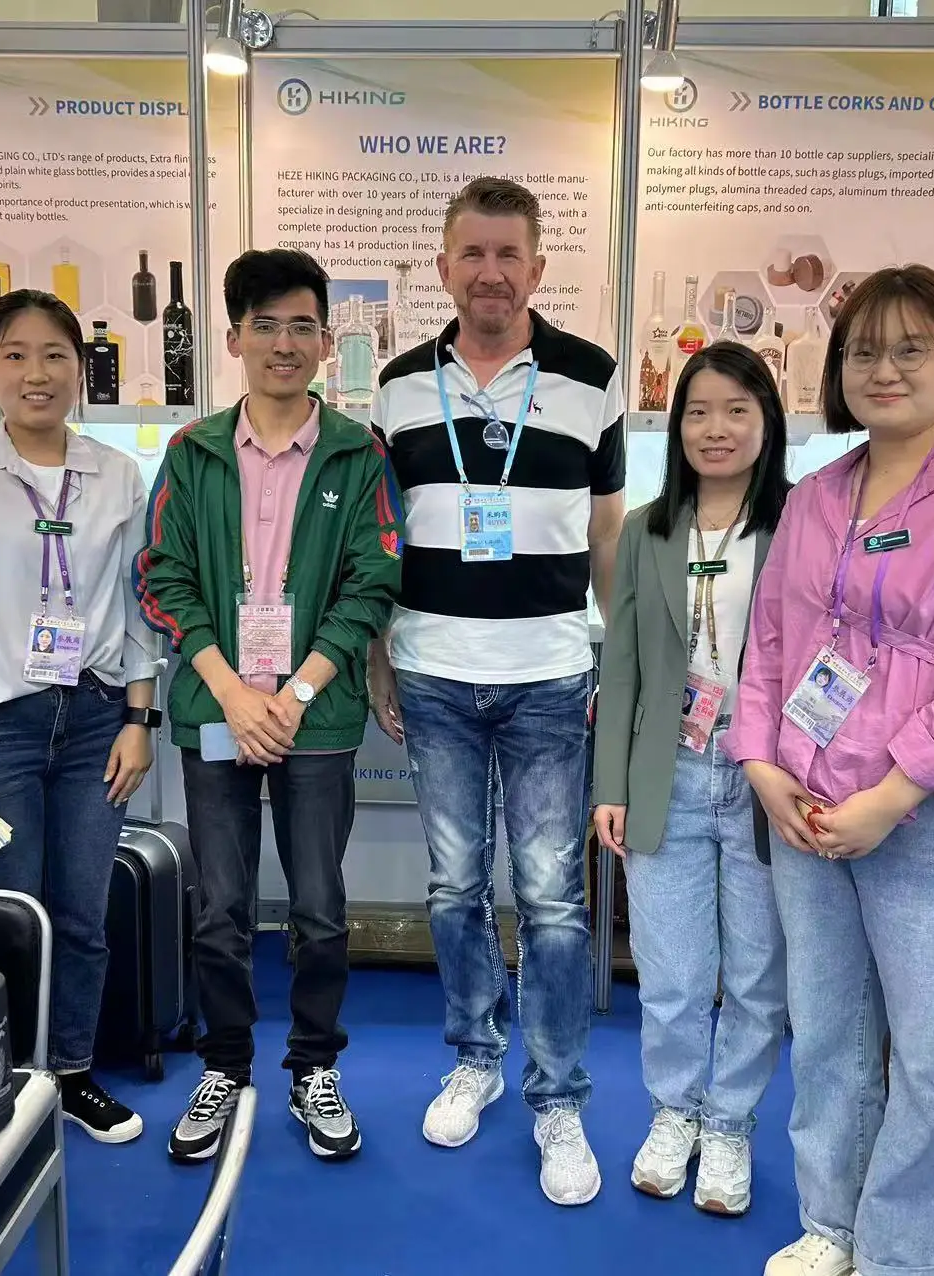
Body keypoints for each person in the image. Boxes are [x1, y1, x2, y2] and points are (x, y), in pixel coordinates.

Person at [721, 264, 934, 1276]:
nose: (884, 368)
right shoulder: (816, 496)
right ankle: (832, 1224)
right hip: (806, 808)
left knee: (930, 1056)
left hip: (932, 817)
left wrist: (892, 793)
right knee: (826, 1035)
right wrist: (761, 764)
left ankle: (905, 1255)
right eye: (863, 350)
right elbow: (770, 647)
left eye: (911, 348)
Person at [368, 176, 626, 1206]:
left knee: (554, 898)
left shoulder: (592, 378)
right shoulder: (396, 387)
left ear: (537, 266)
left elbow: (606, 532)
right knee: (454, 888)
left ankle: (557, 1096)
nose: (490, 272)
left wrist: (624, 664)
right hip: (433, 671)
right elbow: (381, 539)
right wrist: (379, 657)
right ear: (443, 266)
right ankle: (474, 1055)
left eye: (507, 254)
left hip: (549, 677)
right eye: (471, 253)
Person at [135, 248, 402, 1164]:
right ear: (235, 339)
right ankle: (225, 1065)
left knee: (320, 905)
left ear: (326, 342)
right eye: (265, 326)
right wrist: (231, 690)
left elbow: (373, 582)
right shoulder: (193, 452)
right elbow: (161, 575)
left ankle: (314, 1066)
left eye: (301, 326)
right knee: (220, 906)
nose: (283, 344)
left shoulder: (358, 454)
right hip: (216, 707)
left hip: (314, 716)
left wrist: (294, 693)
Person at [0, 288, 162, 1144]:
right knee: (12, 913)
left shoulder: (115, 473)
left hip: (95, 717)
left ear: (81, 369)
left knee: (82, 912)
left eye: (55, 354)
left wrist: (139, 720)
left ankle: (73, 1072)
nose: (36, 373)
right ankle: (9, 1083)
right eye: (14, 354)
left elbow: (137, 604)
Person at [591, 342, 792, 1216]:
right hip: (666, 771)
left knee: (755, 975)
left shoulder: (800, 522)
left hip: (765, 781)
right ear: (676, 427)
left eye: (737, 410)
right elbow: (623, 665)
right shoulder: (647, 529)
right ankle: (674, 1112)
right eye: (699, 412)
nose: (717, 429)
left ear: (767, 422)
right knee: (672, 972)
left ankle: (731, 1123)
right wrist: (610, 784)